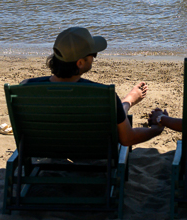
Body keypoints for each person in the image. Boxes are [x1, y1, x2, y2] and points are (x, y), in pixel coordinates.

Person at [22, 26, 163, 146]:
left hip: (47, 148)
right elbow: (127, 138)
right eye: (93, 54)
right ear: (80, 63)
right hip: (89, 152)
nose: (95, 57)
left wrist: (127, 102)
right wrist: (157, 129)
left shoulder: (26, 90)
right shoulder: (102, 95)